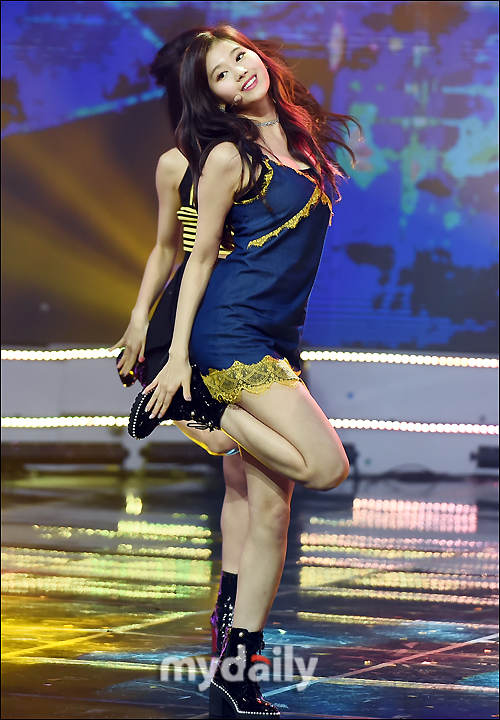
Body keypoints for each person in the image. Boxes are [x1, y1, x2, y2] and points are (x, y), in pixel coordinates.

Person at [143, 25, 360, 719]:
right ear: (214, 99)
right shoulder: (228, 156)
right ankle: (209, 409)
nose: (240, 70)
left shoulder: (299, 139)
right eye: (220, 73)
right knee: (326, 468)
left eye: (239, 56)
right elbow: (198, 258)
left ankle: (235, 672)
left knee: (267, 508)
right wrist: (176, 356)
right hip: (232, 334)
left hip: (275, 337)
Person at [109, 29, 248, 656]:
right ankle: (176, 403)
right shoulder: (176, 164)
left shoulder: (258, 154)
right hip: (191, 309)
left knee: (243, 477)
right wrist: (139, 317)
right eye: (215, 71)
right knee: (227, 443)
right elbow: (167, 248)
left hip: (244, 309)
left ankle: (230, 606)